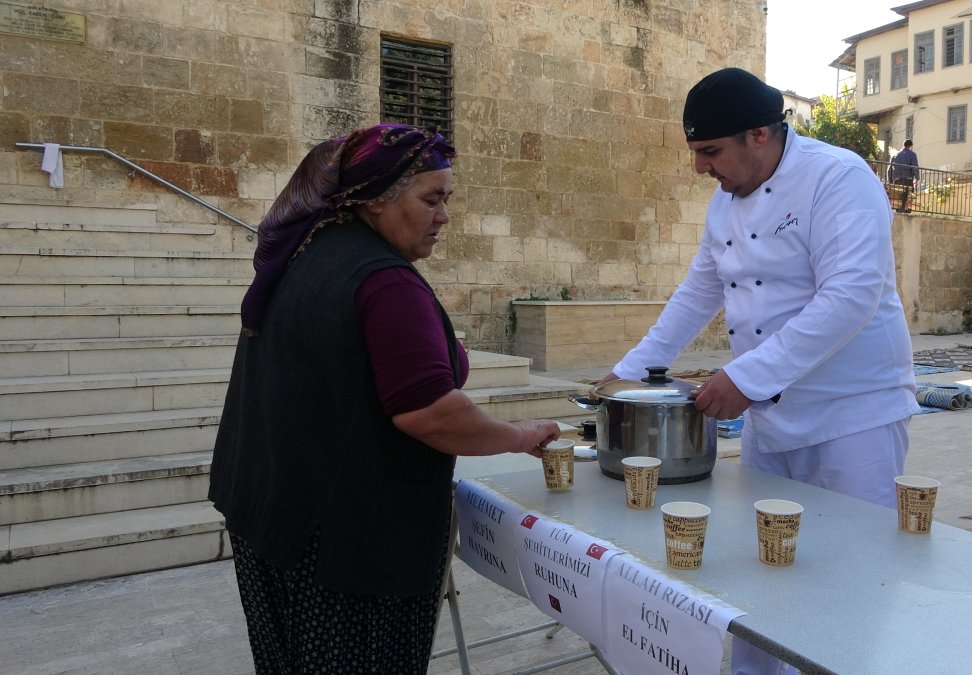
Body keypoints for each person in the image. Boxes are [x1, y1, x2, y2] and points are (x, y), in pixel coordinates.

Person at [209, 123, 561, 673]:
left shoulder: (310, 250)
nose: (444, 216)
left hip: (270, 513)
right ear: (375, 199)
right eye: (432, 199)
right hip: (343, 546)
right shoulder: (384, 280)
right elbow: (432, 414)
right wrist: (521, 436)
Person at [601, 67, 919, 675]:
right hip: (771, 424)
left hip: (854, 416)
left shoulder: (839, 178)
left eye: (709, 152)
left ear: (758, 135)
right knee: (762, 569)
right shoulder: (723, 206)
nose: (700, 169)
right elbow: (696, 295)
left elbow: (850, 295)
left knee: (851, 575)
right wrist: (626, 377)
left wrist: (745, 378)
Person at [887, 139, 919, 213]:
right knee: (909, 194)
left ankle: (898, 209)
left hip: (896, 179)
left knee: (898, 196)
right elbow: (915, 167)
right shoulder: (912, 154)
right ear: (911, 146)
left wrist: (890, 181)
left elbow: (889, 170)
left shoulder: (895, 155)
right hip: (908, 179)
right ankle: (907, 209)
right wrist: (917, 178)